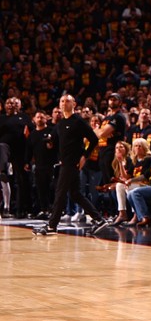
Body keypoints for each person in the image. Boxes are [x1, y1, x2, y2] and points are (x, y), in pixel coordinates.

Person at [34, 94, 109, 235]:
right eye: (62, 101)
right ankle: (99, 219)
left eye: (67, 101)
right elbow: (54, 142)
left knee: (60, 193)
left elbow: (93, 139)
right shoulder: (61, 123)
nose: (64, 103)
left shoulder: (78, 121)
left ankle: (52, 226)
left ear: (74, 104)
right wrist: (49, 142)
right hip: (65, 162)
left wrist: (84, 156)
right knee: (75, 194)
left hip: (72, 162)